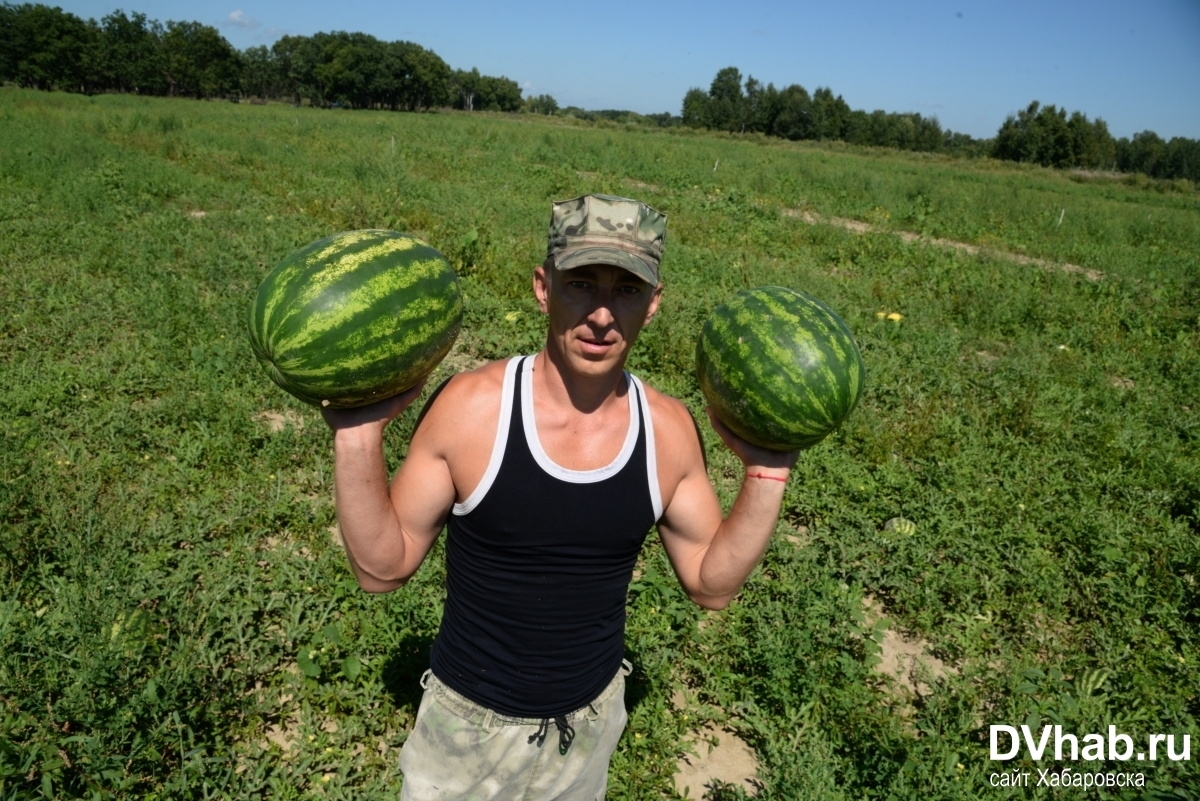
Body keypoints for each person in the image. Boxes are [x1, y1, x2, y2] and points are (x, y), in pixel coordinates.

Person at [321, 194, 798, 801]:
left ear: (653, 304)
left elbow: (712, 584)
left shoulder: (668, 431)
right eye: (581, 284)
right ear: (543, 288)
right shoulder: (472, 410)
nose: (601, 314)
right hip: (468, 725)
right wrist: (357, 440)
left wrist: (766, 476)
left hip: (588, 725)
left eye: (626, 291)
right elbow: (381, 570)